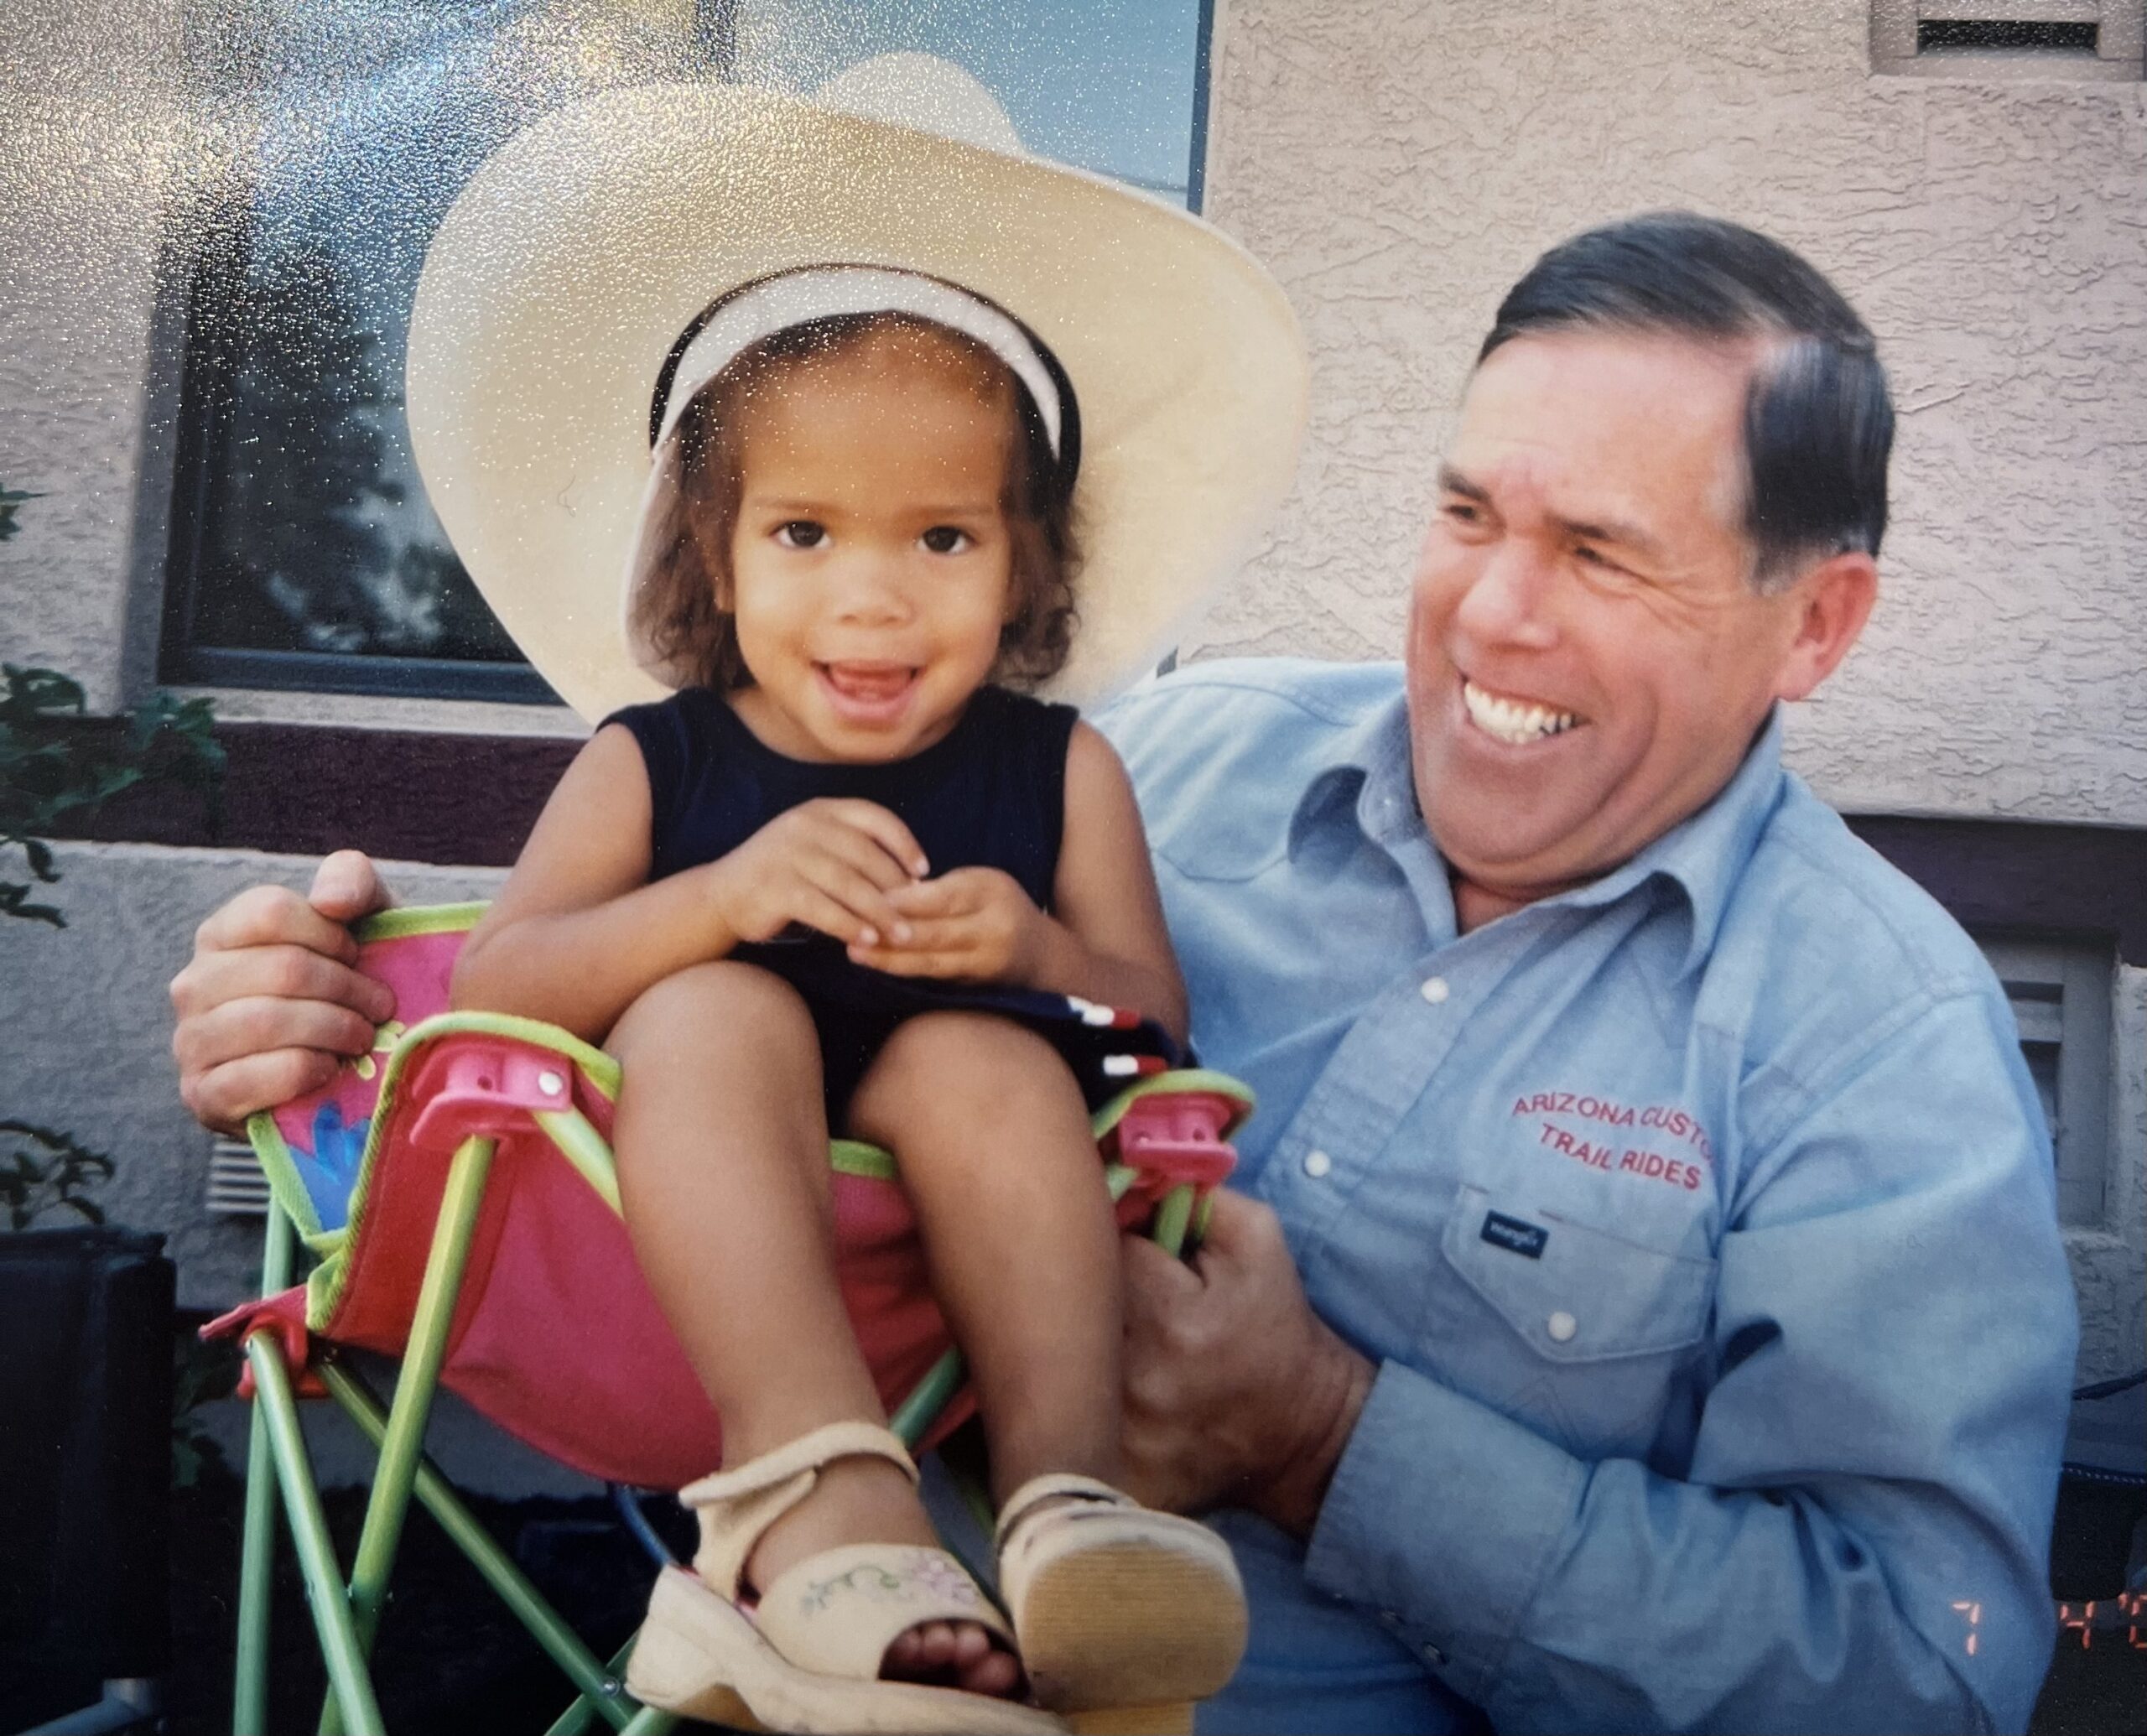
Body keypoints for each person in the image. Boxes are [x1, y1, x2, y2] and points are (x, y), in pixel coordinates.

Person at [171, 211, 2078, 1735]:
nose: (1492, 612)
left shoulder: (1878, 1044)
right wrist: (328, 1016)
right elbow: (645, 1013)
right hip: (825, 1660)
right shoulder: (1176, 760)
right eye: (1467, 515)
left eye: (1601, 552)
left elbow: (1926, 1672)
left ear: (1814, 622)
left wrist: (1328, 1441)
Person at [171, 60, 1307, 1736]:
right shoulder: (654, 763)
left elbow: (1150, 1051)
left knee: (983, 1055)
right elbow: (500, 993)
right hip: (650, 1267)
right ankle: (813, 1503)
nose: (873, 597)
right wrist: (715, 898)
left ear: (1027, 563)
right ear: (710, 553)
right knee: (711, 1004)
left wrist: (1038, 952)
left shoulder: (1063, 775)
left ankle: (1068, 1516)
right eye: (802, 533)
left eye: (942, 538)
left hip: (941, 1295)